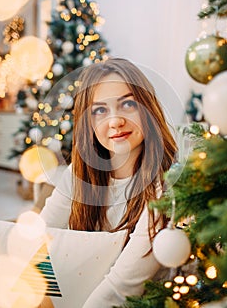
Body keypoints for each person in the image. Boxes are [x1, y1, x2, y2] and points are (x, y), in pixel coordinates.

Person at [40, 57, 177, 308]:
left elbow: (122, 286)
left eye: (127, 104)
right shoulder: (78, 175)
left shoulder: (167, 184)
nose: (115, 121)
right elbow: (39, 238)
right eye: (100, 110)